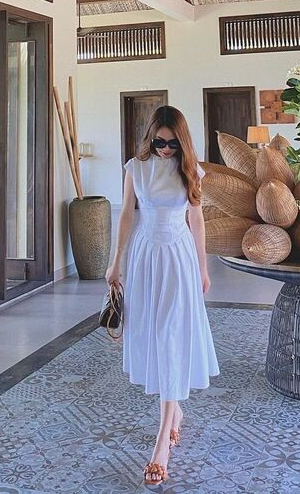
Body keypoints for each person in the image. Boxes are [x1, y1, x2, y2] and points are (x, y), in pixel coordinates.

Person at [105, 105, 219, 486]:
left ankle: (161, 446)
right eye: (159, 142)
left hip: (179, 256)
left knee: (171, 335)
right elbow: (126, 215)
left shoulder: (190, 170)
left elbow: (197, 220)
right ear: (150, 137)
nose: (166, 149)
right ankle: (175, 412)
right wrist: (115, 263)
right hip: (145, 257)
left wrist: (203, 267)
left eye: (172, 144)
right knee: (155, 334)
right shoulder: (135, 168)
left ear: (182, 142)